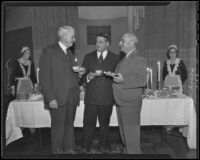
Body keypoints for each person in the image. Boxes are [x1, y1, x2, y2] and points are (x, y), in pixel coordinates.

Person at [39, 26, 84, 154]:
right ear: (63, 35)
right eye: (72, 36)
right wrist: (51, 97)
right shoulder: (49, 51)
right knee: (58, 127)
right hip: (57, 97)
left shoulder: (69, 53)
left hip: (71, 96)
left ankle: (69, 148)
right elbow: (44, 77)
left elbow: (69, 74)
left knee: (69, 125)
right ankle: (58, 151)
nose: (74, 39)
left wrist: (79, 74)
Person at [80, 33, 120, 153]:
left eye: (101, 42)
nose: (97, 44)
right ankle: (85, 146)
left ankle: (104, 146)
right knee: (88, 124)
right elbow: (81, 78)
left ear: (107, 44)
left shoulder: (115, 58)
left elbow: (118, 77)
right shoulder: (88, 57)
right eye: (97, 41)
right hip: (91, 97)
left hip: (107, 97)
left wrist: (114, 76)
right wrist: (88, 77)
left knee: (104, 124)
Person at [112, 33, 147, 154]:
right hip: (122, 101)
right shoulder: (125, 58)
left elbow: (142, 80)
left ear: (131, 43)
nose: (119, 43)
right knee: (125, 136)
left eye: (122, 41)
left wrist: (123, 80)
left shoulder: (138, 58)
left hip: (130, 103)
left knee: (131, 137)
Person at [8, 46, 37, 136]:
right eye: (27, 53)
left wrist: (35, 84)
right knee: (21, 106)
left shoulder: (30, 63)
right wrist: (12, 87)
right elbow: (12, 75)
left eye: (29, 53)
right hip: (20, 86)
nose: (29, 55)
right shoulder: (16, 62)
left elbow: (33, 76)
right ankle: (21, 125)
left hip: (29, 85)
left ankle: (31, 125)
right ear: (23, 53)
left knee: (29, 105)